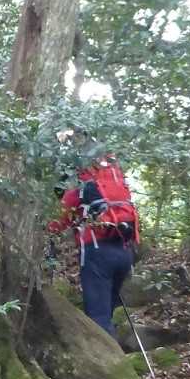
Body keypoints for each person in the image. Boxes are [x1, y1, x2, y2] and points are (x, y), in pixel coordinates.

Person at [46, 144, 140, 338]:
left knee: (98, 320)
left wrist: (44, 229)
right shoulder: (115, 181)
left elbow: (59, 220)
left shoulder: (81, 186)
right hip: (124, 251)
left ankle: (108, 356)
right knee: (107, 314)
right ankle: (114, 349)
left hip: (98, 254)